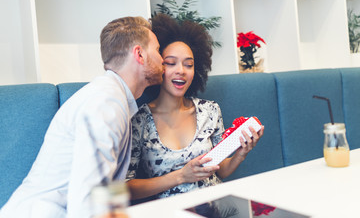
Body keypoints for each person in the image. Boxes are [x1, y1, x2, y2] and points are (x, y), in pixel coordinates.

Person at [0, 16, 164, 218]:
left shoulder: (112, 98)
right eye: (157, 50)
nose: (162, 58)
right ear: (139, 54)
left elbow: (106, 190)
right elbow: (89, 205)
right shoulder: (106, 104)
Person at [126, 14, 264, 201]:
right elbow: (127, 188)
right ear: (158, 65)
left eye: (188, 64)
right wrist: (180, 176)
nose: (181, 70)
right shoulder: (139, 120)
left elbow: (220, 171)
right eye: (171, 63)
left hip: (216, 204)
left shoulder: (210, 111)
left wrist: (241, 153)